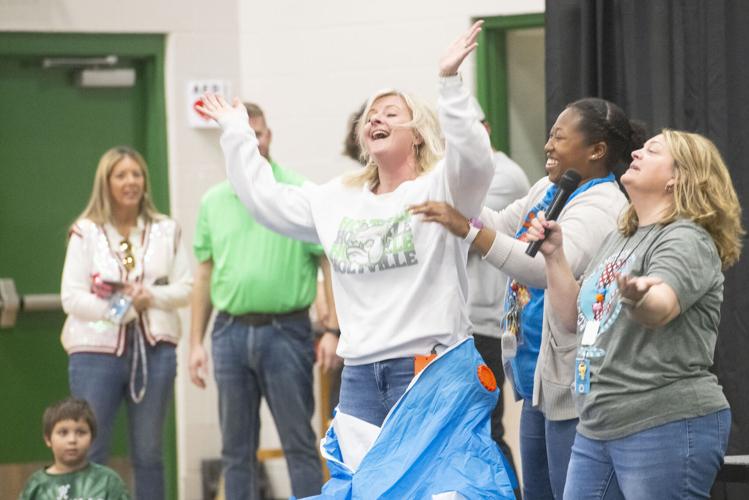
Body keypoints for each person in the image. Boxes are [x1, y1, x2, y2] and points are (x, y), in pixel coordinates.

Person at [197, 21, 515, 496]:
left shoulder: (442, 186)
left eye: (390, 112)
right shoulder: (336, 199)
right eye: (369, 115)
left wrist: (449, 82)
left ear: (419, 134)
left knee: (442, 490)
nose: (374, 119)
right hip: (363, 373)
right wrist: (237, 134)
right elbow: (264, 199)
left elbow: (475, 160)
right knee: (366, 489)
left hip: (428, 367)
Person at [411, 98, 643, 499]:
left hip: (572, 383)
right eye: (550, 135)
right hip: (537, 376)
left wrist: (467, 229)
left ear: (597, 150)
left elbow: (540, 267)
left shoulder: (603, 204)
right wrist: (455, 199)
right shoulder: (549, 188)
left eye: (559, 136)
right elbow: (501, 224)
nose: (548, 145)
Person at [526, 129, 743, 499]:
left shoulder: (685, 237)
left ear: (679, 176)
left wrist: (640, 297)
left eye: (653, 150)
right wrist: (554, 256)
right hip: (597, 424)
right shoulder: (621, 237)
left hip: (662, 421)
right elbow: (574, 319)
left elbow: (661, 306)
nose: (638, 151)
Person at [188, 101, 336, 499]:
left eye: (259, 133)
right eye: (244, 134)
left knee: (299, 444)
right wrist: (195, 344)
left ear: (269, 136)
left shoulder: (299, 191)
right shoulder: (213, 201)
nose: (253, 141)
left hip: (286, 331)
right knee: (235, 450)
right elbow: (203, 274)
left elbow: (327, 262)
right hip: (230, 331)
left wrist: (334, 330)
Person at [60, 146, 192, 500]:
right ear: (106, 182)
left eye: (136, 174)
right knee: (92, 449)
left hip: (155, 352)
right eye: (121, 175)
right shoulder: (85, 232)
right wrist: (119, 309)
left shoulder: (167, 229)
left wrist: (151, 298)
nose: (130, 182)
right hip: (95, 352)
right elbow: (71, 297)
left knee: (149, 453)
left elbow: (186, 288)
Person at [465, 96, 530, 476]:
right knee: (467, 433)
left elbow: (465, 237)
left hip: (487, 326)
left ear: (485, 131)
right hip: (462, 326)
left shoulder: (503, 176)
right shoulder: (458, 177)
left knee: (487, 430)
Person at [19, 397, 130, 500]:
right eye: (63, 433)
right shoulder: (36, 486)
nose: (72, 440)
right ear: (48, 439)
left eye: (81, 432)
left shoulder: (107, 482)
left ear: (92, 438)